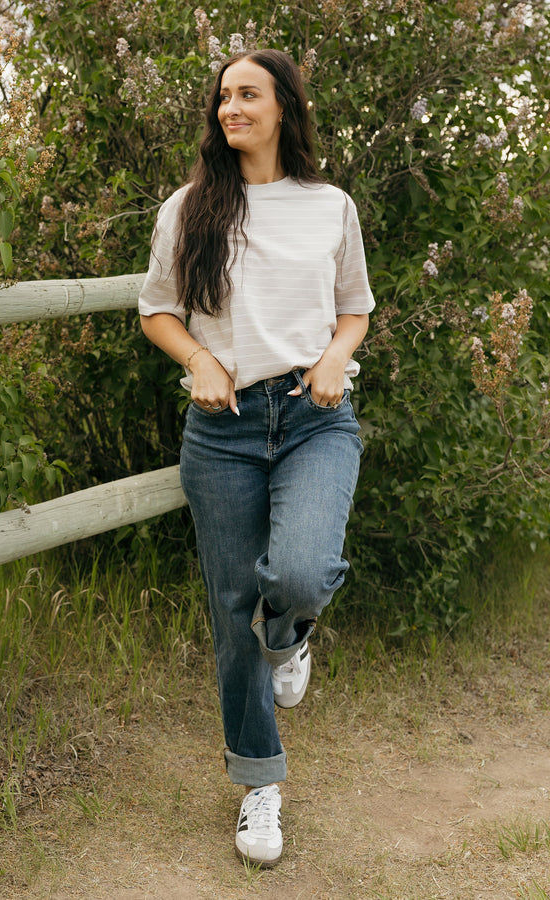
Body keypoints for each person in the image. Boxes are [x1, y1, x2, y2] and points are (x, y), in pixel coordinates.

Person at [139, 48, 374, 868]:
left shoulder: (329, 205)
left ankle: (292, 635)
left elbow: (354, 309)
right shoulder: (189, 208)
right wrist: (200, 360)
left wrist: (337, 356)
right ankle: (259, 783)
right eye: (224, 96)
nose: (230, 107)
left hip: (315, 418)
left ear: (284, 108)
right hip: (224, 428)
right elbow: (158, 310)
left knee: (301, 573)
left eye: (248, 94)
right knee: (231, 608)